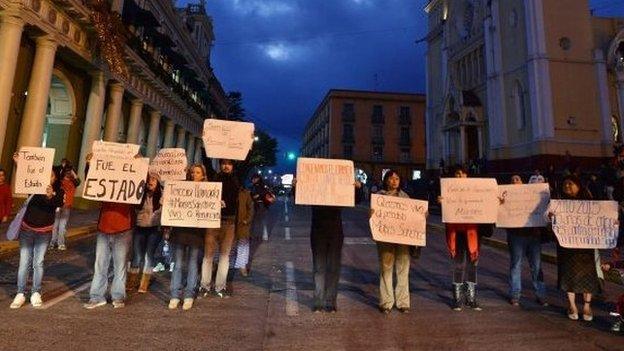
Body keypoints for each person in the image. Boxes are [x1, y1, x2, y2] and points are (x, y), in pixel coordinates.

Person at [10, 154, 64, 309]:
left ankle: (36, 292)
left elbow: (58, 203)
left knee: (38, 263)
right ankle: (20, 293)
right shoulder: (33, 186)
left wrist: (49, 197)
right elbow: (26, 175)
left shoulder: (58, 192)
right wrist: (19, 164)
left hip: (44, 233)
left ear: (56, 178)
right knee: (24, 262)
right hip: (27, 230)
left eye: (52, 176)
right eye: (47, 175)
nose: (49, 178)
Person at [301, 180, 362, 313]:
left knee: (333, 268)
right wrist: (296, 186)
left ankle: (330, 302)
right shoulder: (314, 191)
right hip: (318, 233)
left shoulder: (339, 191)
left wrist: (357, 188)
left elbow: (354, 200)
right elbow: (301, 197)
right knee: (319, 268)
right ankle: (318, 302)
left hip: (335, 233)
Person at [83, 153, 134, 310]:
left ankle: (118, 296)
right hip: (104, 227)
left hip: (123, 228)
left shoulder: (130, 181)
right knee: (100, 264)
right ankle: (97, 296)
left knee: (120, 266)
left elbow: (141, 185)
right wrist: (90, 165)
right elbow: (92, 182)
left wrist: (139, 165)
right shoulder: (106, 180)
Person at [550, 175, 602, 321]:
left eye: (570, 183)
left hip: (585, 248)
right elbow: (548, 223)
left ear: (578, 185)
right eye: (565, 184)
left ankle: (586, 306)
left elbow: (601, 220)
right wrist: (550, 217)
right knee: (569, 276)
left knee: (587, 277)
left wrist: (611, 224)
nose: (567, 186)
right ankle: (572, 305)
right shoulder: (558, 204)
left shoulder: (590, 203)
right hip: (567, 247)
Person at [439, 167, 483, 311]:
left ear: (467, 176)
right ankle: (457, 299)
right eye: (457, 173)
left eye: (463, 173)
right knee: (458, 265)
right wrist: (441, 202)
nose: (460, 175)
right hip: (456, 233)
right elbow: (445, 213)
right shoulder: (448, 191)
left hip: (472, 233)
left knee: (472, 265)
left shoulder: (476, 190)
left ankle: (471, 298)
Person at [372, 170, 415, 314]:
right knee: (386, 270)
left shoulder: (405, 197)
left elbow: (413, 216)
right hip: (385, 239)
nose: (394, 181)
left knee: (403, 270)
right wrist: (371, 214)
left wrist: (422, 215)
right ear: (386, 181)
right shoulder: (378, 197)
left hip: (403, 239)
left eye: (397, 178)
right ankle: (386, 303)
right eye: (391, 178)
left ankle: (403, 302)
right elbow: (372, 218)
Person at [503, 174, 547, 307]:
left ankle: (541, 295)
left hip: (533, 236)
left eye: (517, 179)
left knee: (537, 266)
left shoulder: (532, 195)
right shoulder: (506, 197)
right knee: (516, 265)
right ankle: (515, 294)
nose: (515, 181)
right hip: (515, 236)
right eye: (512, 180)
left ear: (523, 182)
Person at [168, 164, 207, 310]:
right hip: (180, 232)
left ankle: (189, 294)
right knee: (177, 265)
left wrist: (217, 205)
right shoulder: (180, 188)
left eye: (197, 173)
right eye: (192, 172)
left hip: (196, 234)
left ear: (203, 176)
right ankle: (175, 295)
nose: (194, 175)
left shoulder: (208, 191)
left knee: (192, 264)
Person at [201, 159, 239, 298]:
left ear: (233, 166)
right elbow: (207, 160)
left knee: (224, 257)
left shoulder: (237, 178)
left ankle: (220, 287)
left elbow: (246, 161)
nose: (226, 166)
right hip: (213, 221)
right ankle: (204, 286)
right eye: (223, 163)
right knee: (208, 256)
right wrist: (205, 142)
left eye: (229, 163)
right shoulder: (214, 177)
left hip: (229, 222)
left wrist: (250, 143)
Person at [127, 173, 162, 293]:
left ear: (158, 182)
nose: (150, 182)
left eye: (153, 180)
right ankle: (131, 281)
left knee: (148, 255)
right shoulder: (140, 193)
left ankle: (144, 283)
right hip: (140, 227)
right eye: (149, 179)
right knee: (137, 255)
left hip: (154, 229)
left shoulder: (162, 196)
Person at [50, 165, 80, 250]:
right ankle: (53, 242)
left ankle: (60, 243)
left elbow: (78, 181)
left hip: (67, 206)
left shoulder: (73, 182)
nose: (68, 173)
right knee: (55, 225)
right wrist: (62, 169)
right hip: (58, 205)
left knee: (62, 226)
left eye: (69, 171)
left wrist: (73, 172)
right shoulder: (60, 181)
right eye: (67, 171)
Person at [233, 186, 254, 277]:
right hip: (228, 222)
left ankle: (242, 266)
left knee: (242, 245)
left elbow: (251, 208)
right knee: (225, 247)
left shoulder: (245, 193)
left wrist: (246, 220)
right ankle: (219, 265)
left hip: (242, 224)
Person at [250, 174, 272, 241]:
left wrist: (258, 195)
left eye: (254, 179)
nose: (253, 180)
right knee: (257, 220)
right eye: (252, 179)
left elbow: (264, 193)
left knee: (258, 221)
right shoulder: (255, 186)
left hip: (260, 205)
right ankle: (259, 235)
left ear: (258, 179)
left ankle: (259, 235)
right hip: (259, 205)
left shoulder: (259, 185)